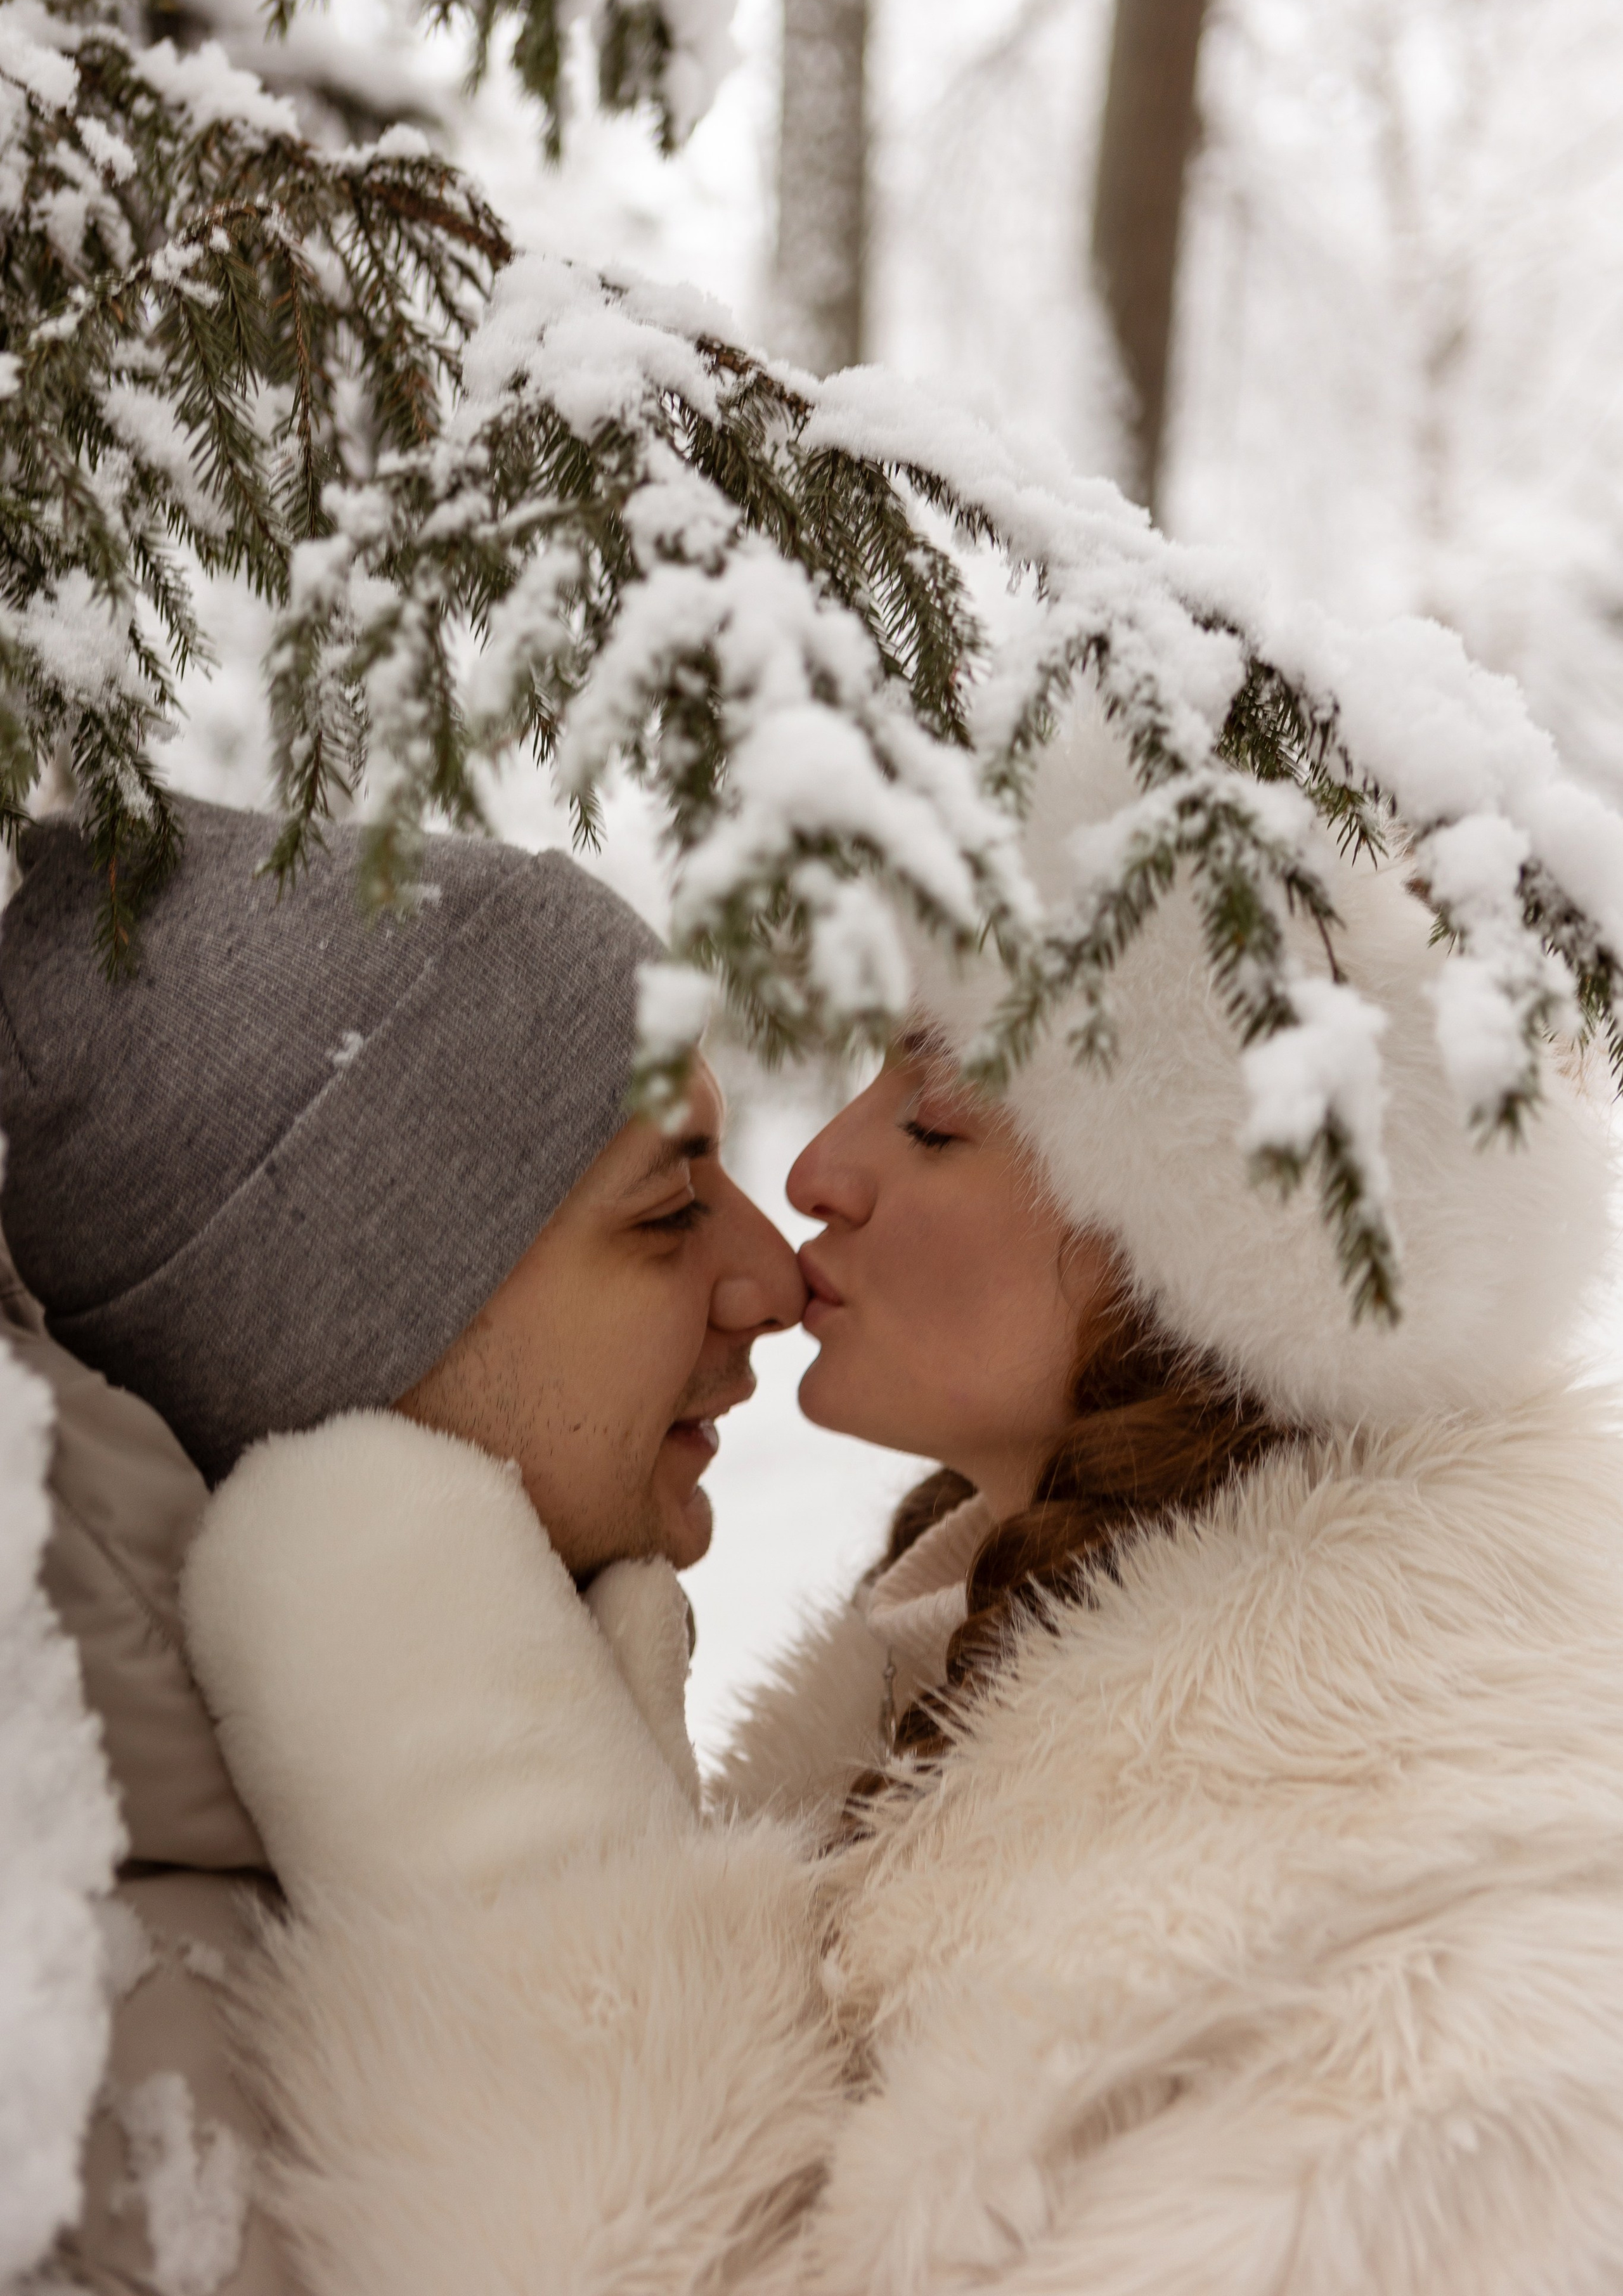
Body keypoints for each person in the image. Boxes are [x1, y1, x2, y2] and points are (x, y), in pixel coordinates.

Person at [183, 699, 1623, 2296]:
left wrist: (489, 1844)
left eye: (934, 1116)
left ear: (1205, 1258)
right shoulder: (977, 1695)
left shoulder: (1407, 1974)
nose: (816, 1175)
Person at [0, 799, 801, 2296]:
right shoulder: (82, 2084)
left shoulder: (389, 1828)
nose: (775, 1274)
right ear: (331, 1339)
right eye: (669, 1208)